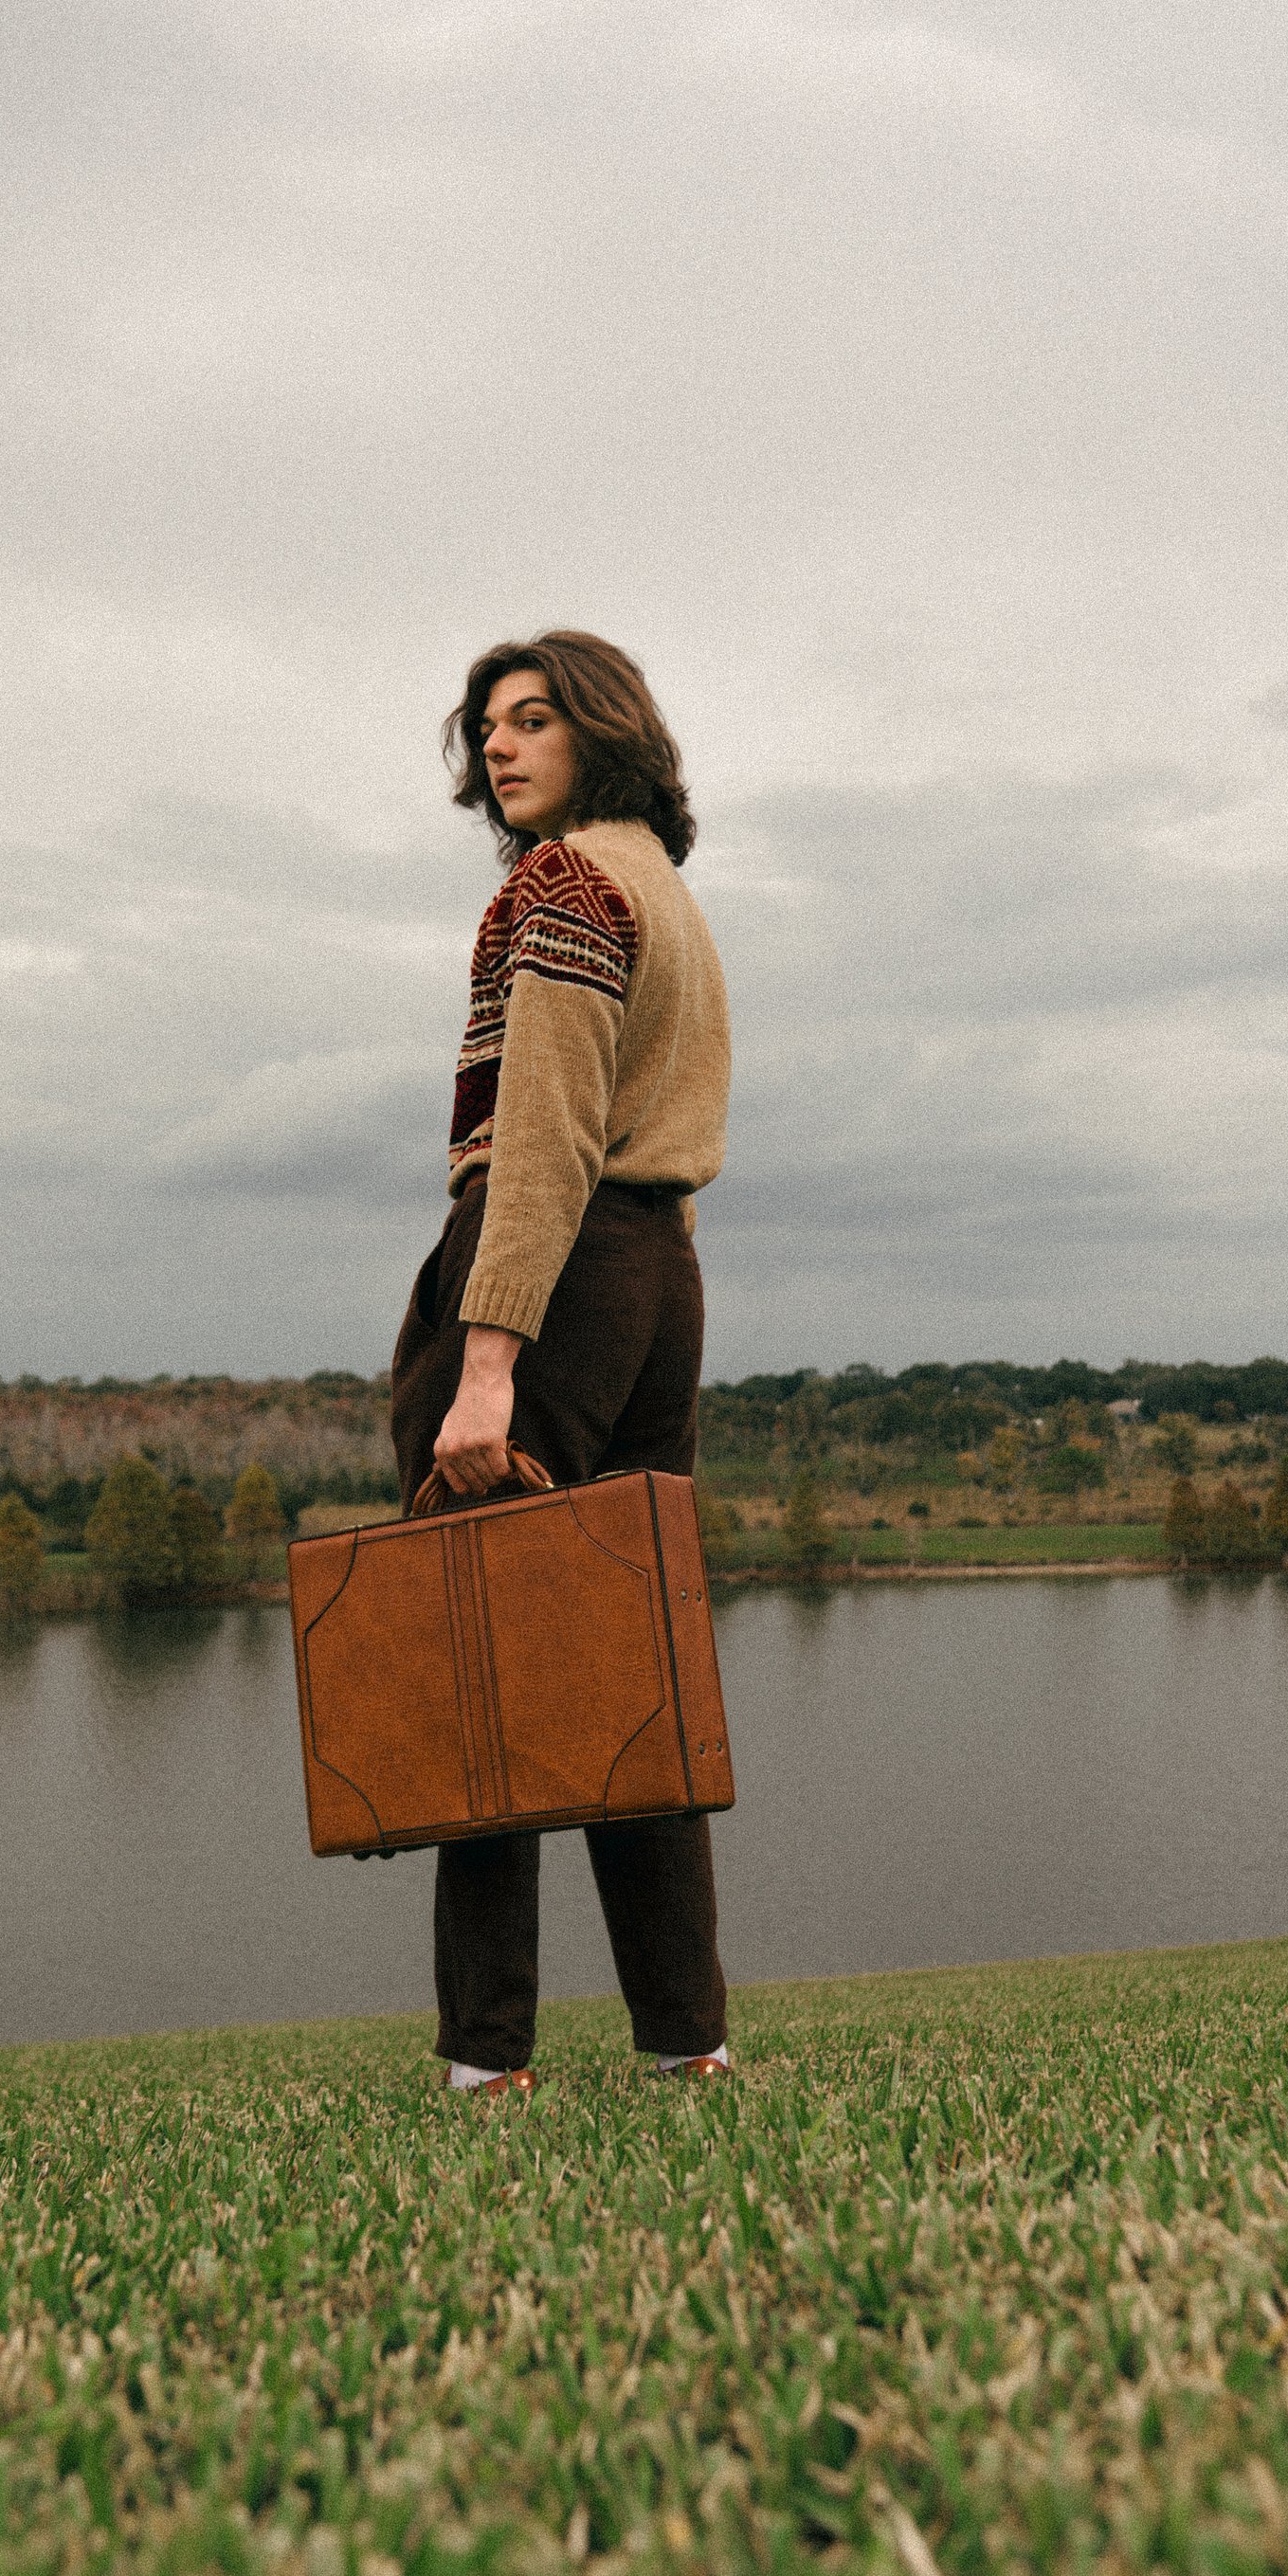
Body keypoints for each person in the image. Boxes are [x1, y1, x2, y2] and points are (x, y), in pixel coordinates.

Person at [390, 630, 735, 2099]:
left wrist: (487, 1365)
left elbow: (542, 1140)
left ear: (603, 731)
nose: (501, 748)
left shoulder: (561, 887)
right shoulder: (673, 894)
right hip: (663, 1273)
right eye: (486, 728)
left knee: (482, 1651)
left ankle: (489, 2058)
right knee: (626, 1664)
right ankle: (685, 2037)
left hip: (553, 1263)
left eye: (534, 720)